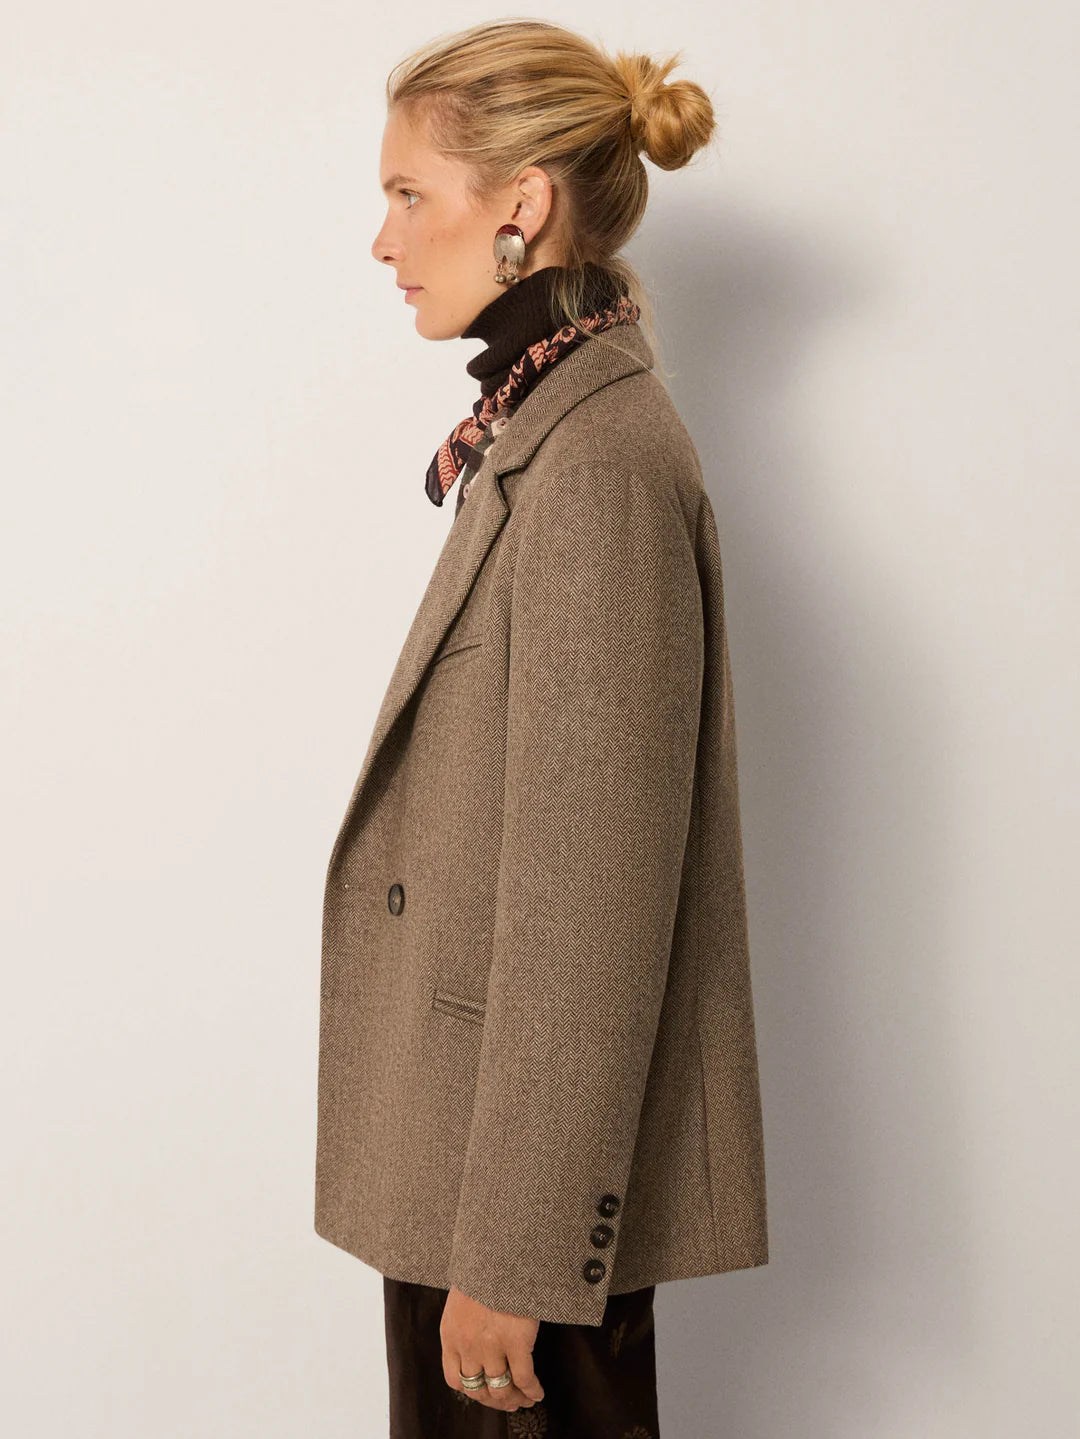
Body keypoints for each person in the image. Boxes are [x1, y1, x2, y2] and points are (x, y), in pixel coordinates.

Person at [314, 19, 769, 1437]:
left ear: (519, 204)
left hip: (510, 1215)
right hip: (467, 1171)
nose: (383, 241)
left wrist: (515, 1256)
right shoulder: (544, 430)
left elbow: (593, 904)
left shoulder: (598, 465)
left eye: (409, 194)